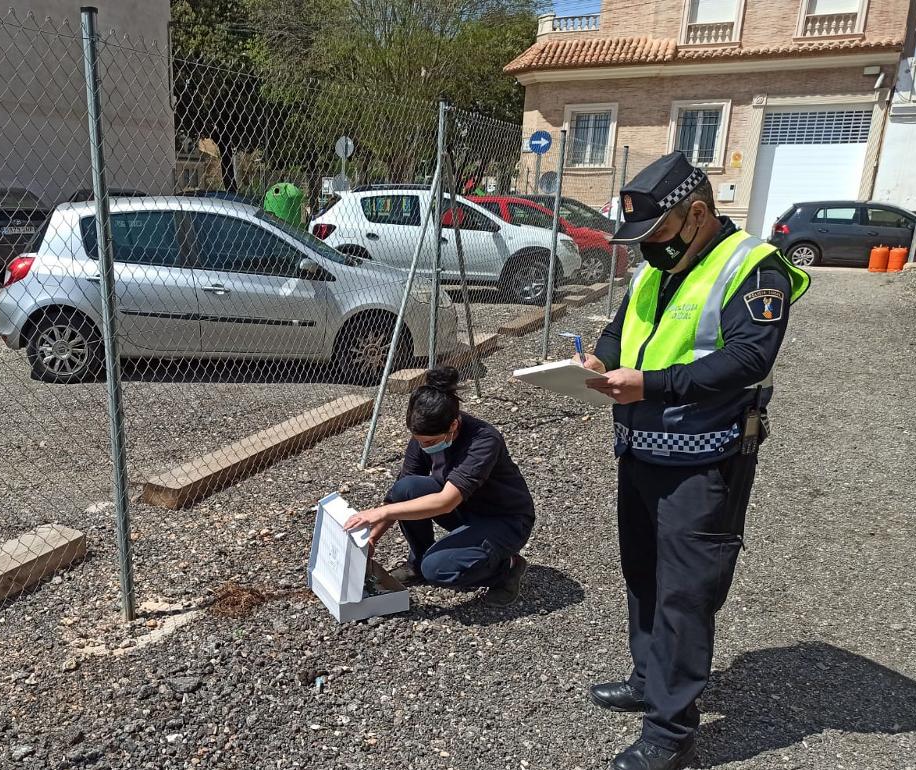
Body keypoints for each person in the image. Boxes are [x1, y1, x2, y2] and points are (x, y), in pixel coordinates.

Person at [577, 153, 810, 770]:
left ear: (697, 213)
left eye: (655, 234)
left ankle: (671, 731)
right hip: (639, 449)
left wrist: (651, 386)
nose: (646, 250)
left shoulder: (754, 268)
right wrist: (598, 363)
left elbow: (747, 360)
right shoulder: (659, 265)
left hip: (704, 461)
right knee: (643, 573)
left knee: (685, 591)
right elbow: (622, 324)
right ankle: (648, 679)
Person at [344, 367, 535, 608]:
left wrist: (380, 513)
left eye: (430, 442)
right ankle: (418, 561)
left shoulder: (484, 440)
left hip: (505, 520)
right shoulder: (425, 436)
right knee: (406, 488)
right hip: (465, 509)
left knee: (439, 569)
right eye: (419, 441)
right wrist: (372, 538)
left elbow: (446, 501)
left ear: (453, 425)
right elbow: (399, 493)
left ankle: (507, 569)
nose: (424, 447)